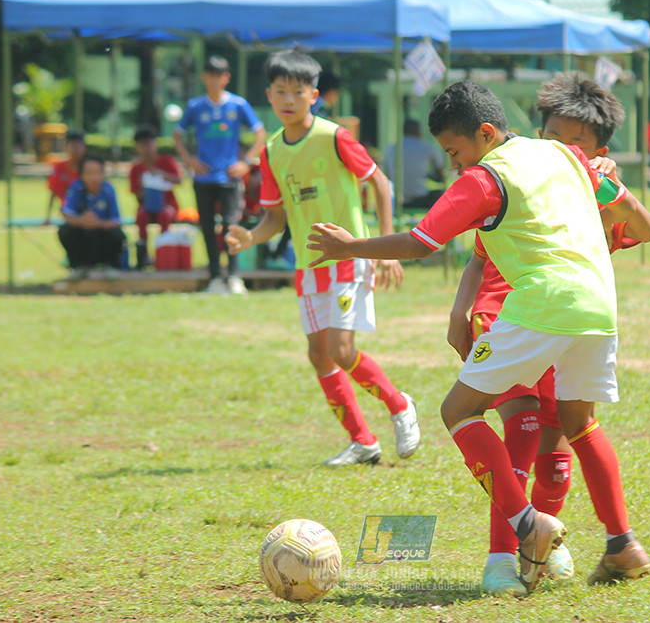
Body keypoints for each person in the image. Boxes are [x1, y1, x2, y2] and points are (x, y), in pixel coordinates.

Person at [308, 80, 646, 593]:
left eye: (455, 151)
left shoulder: (486, 178)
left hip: (542, 305)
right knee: (580, 422)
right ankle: (622, 544)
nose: (453, 165)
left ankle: (529, 527)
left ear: (485, 133)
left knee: (458, 411)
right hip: (600, 305)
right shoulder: (560, 153)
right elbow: (642, 222)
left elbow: (421, 242)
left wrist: (350, 245)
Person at [458, 72, 650, 595]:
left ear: (600, 151)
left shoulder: (596, 191)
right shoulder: (519, 175)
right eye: (551, 138)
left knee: (558, 458)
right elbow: (480, 252)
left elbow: (644, 229)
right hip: (511, 315)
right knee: (520, 431)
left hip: (568, 325)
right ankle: (503, 558)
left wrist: (615, 187)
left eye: (575, 144)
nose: (559, 151)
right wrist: (462, 309)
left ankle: (549, 547)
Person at [225, 50, 420, 466]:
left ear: (314, 95)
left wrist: (385, 248)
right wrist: (250, 238)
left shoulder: (334, 137)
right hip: (308, 268)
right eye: (280, 92)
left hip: (350, 258)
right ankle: (363, 440)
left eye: (297, 91)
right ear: (269, 96)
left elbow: (380, 184)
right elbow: (275, 218)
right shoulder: (272, 150)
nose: (288, 99)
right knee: (318, 354)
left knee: (341, 349)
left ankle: (399, 403)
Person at [174, 55, 266, 295]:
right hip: (203, 177)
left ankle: (234, 277)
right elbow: (177, 134)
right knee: (206, 227)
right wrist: (189, 159)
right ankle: (215, 277)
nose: (214, 81)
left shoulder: (238, 105)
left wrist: (246, 162)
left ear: (226, 78)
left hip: (230, 177)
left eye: (219, 76)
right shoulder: (196, 106)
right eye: (210, 76)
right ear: (204, 77)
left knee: (231, 225)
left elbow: (259, 132)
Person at [58, 154, 126, 279]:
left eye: (97, 173)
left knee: (117, 235)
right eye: (89, 173)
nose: (93, 178)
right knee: (65, 230)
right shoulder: (76, 187)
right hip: (83, 238)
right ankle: (79, 266)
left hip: (102, 238)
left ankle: (110, 266)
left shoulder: (108, 189)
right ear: (82, 175)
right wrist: (81, 221)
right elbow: (67, 214)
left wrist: (98, 223)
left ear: (103, 174)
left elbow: (116, 221)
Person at [128, 125, 181, 269]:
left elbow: (178, 180)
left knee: (164, 215)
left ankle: (163, 254)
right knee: (141, 216)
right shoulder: (136, 169)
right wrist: (143, 187)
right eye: (142, 145)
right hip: (147, 206)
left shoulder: (166, 161)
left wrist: (161, 175)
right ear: (137, 148)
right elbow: (136, 195)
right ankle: (143, 255)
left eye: (149, 144)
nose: (147, 148)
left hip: (167, 205)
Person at [383, 119, 446, 210]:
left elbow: (387, 175)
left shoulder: (391, 148)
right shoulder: (427, 147)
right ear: (418, 131)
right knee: (443, 194)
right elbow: (441, 174)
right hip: (420, 199)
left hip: (397, 199)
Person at [45, 131, 86, 224]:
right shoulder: (59, 168)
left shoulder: (89, 167)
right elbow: (53, 192)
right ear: (66, 148)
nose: (76, 150)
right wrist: (48, 216)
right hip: (68, 213)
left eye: (79, 146)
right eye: (73, 146)